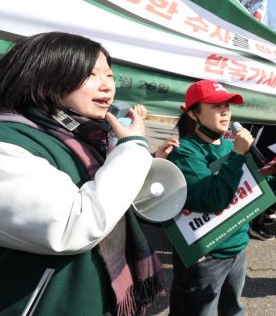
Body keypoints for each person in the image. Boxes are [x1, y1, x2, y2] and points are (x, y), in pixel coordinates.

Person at [0, 32, 164, 315]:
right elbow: (70, 226)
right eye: (90, 74)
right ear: (46, 77)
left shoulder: (83, 137)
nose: (107, 86)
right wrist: (133, 149)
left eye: (110, 75)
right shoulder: (9, 140)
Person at [167, 80, 276, 316]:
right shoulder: (185, 152)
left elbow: (247, 189)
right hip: (206, 257)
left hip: (238, 247)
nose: (225, 110)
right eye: (215, 105)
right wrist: (237, 154)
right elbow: (214, 199)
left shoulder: (229, 145)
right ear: (194, 114)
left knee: (233, 309)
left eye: (227, 104)